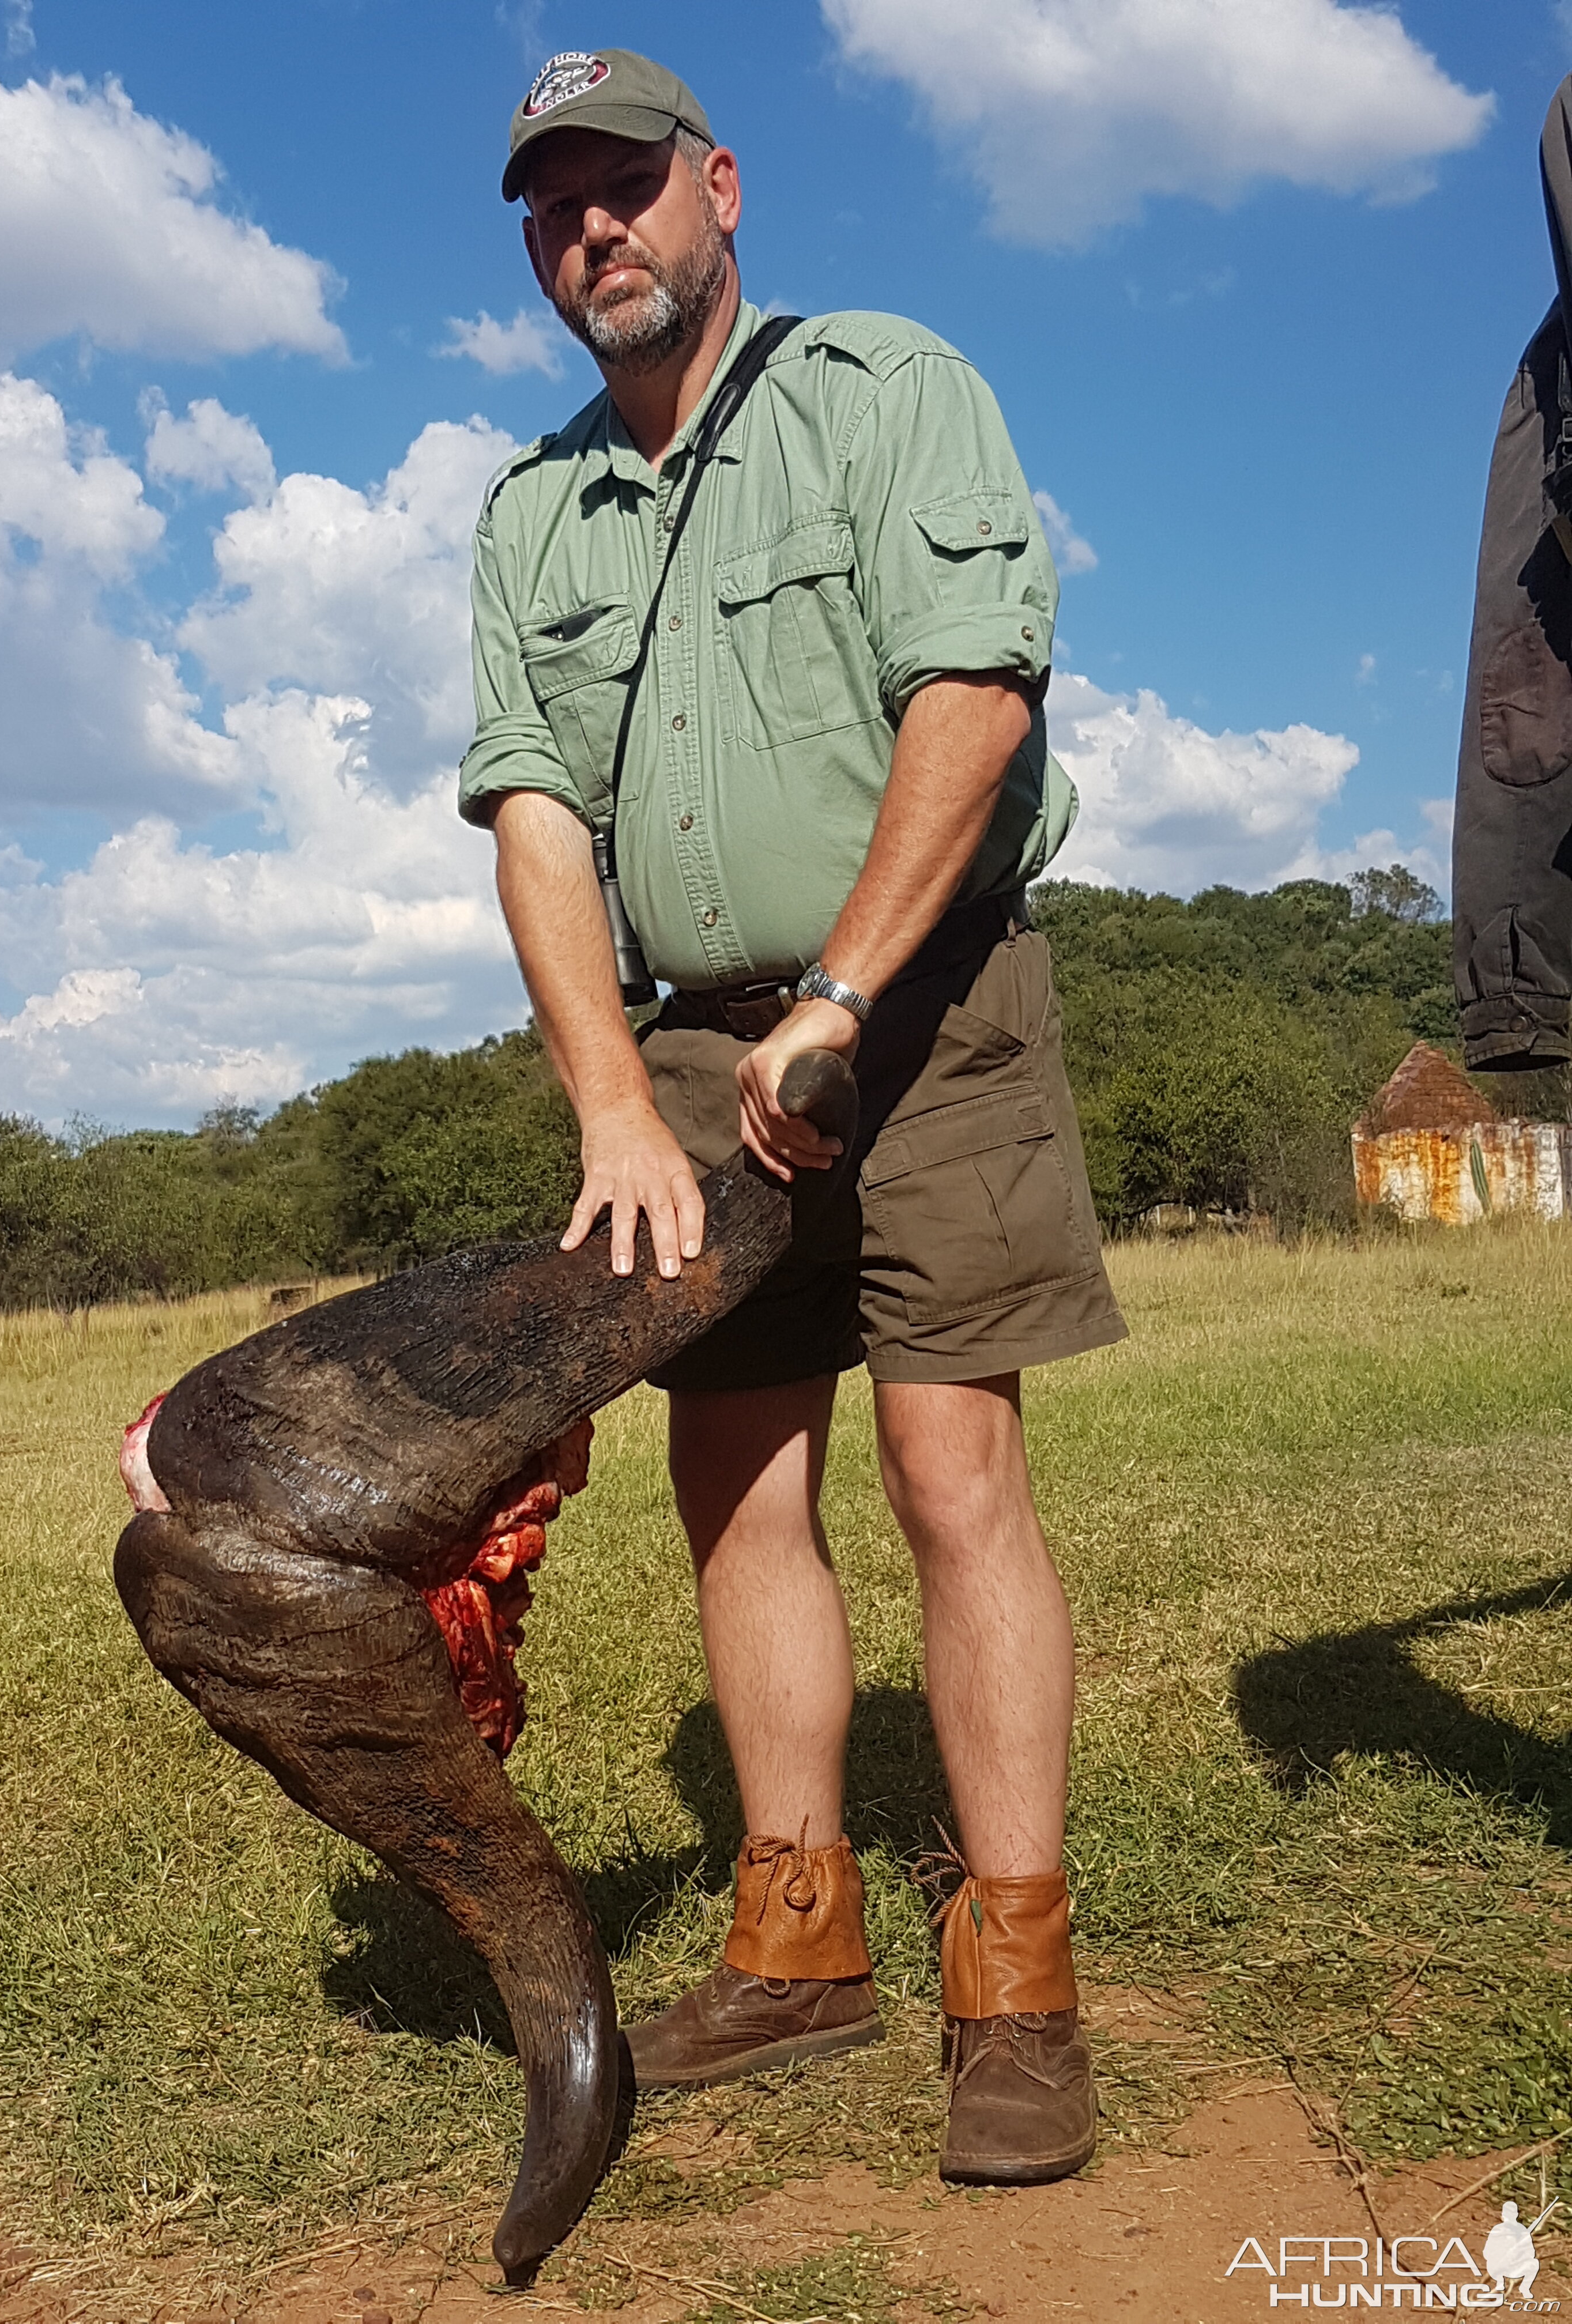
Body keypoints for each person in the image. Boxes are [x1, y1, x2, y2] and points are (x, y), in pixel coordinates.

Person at [459, 46, 1126, 2186]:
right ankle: (801, 1933)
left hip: (922, 994)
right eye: (555, 208)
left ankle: (1013, 1973)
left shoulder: (883, 387)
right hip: (682, 1046)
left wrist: (844, 996)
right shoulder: (534, 510)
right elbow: (538, 822)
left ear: (716, 187)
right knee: (733, 1476)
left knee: (954, 1465)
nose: (595, 234)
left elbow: (973, 689)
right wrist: (609, 1111)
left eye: (626, 188)